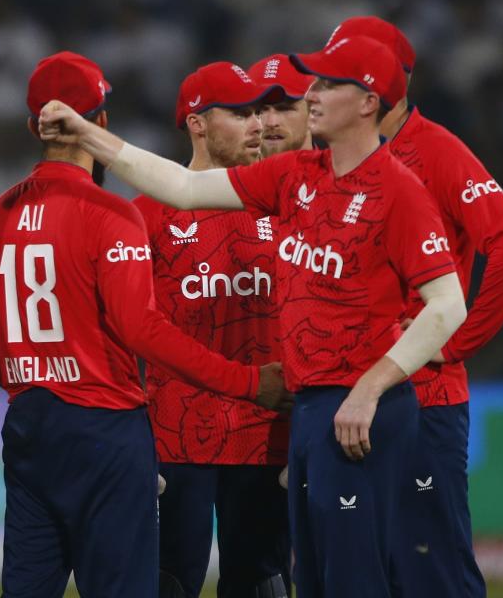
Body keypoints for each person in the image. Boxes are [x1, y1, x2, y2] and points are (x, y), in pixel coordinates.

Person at [38, 36, 468, 597]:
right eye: (313, 82)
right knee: (314, 578)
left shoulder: (399, 191)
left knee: (355, 576)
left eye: (329, 84)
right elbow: (185, 187)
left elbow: (447, 304)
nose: (310, 93)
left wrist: (372, 386)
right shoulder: (298, 178)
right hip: (305, 411)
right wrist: (87, 132)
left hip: (357, 408)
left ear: (368, 103)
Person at [0, 51, 290, 598]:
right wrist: (253, 384)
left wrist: (44, 380)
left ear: (30, 125)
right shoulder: (115, 214)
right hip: (110, 427)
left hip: (31, 422)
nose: (258, 124)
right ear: (100, 123)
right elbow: (142, 329)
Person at [326, 16, 503, 598]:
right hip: (344, 394)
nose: (320, 88)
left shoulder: (435, 150)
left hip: (421, 399)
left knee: (430, 572)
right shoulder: (335, 158)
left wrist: (455, 343)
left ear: (379, 85)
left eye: (338, 73)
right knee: (360, 574)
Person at [133, 62, 290, 598]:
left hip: (268, 435)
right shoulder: (146, 215)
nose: (257, 124)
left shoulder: (285, 203)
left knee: (262, 585)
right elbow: (129, 329)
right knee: (170, 583)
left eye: (261, 111)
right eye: (241, 112)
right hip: (177, 439)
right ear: (197, 123)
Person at [248, 53, 315, 158]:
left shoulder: (341, 172)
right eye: (259, 111)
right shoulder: (225, 174)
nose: (271, 123)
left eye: (284, 109)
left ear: (313, 112)